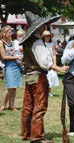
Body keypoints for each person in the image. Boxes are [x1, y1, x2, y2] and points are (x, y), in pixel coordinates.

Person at [20, 11, 68, 143]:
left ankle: (26, 133)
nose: (45, 27)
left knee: (28, 105)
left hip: (29, 76)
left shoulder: (27, 42)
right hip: (38, 76)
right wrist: (59, 68)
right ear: (39, 27)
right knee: (39, 106)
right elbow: (44, 63)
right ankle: (37, 136)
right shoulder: (38, 42)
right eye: (43, 25)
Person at [0, 25, 23, 111]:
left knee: (14, 87)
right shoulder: (1, 43)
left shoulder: (12, 42)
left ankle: (11, 106)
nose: (11, 33)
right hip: (9, 66)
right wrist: (16, 57)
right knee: (9, 87)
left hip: (16, 65)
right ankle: (2, 106)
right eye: (9, 32)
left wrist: (19, 60)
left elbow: (15, 53)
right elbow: (4, 57)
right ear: (4, 33)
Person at [42, 31, 59, 97]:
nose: (47, 37)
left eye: (48, 36)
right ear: (43, 37)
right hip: (43, 63)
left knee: (51, 77)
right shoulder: (41, 44)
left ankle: (49, 91)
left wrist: (54, 63)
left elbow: (54, 54)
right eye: (45, 36)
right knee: (45, 78)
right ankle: (44, 91)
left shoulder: (53, 44)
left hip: (51, 62)